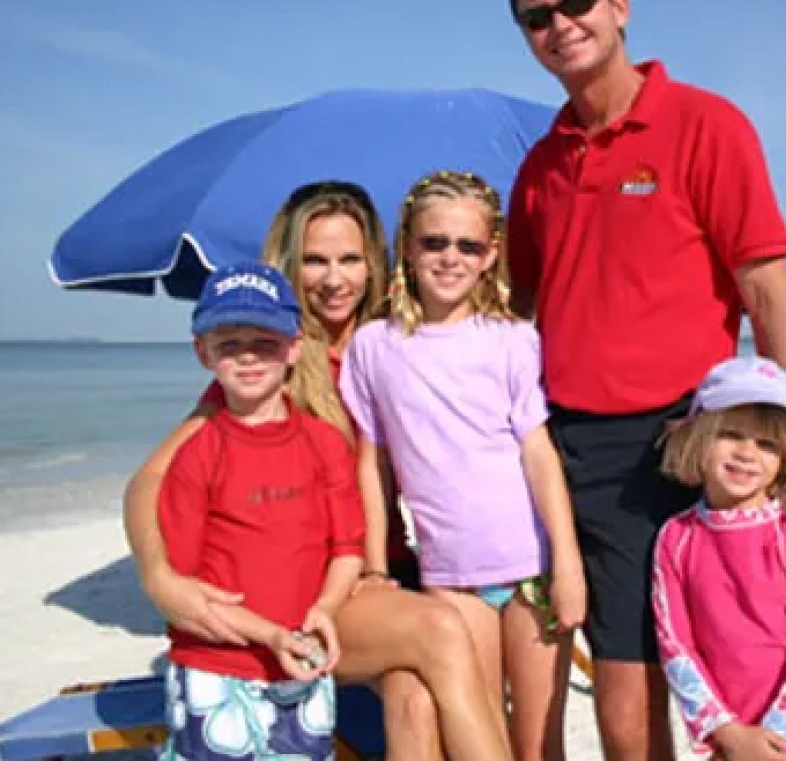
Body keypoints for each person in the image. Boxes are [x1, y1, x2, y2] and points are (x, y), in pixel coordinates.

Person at [506, 0, 786, 760]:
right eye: (537, 16)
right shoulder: (538, 167)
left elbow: (768, 293)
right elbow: (516, 314)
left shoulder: (706, 124)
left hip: (697, 435)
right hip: (585, 449)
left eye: (576, 3)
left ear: (619, 4)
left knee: (747, 687)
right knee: (626, 703)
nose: (560, 25)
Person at [123, 181, 513, 761]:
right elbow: (147, 482)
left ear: (374, 263)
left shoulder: (397, 344)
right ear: (290, 264)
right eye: (315, 260)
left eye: (350, 259)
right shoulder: (273, 359)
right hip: (315, 591)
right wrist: (159, 578)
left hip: (390, 573)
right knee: (440, 633)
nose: (335, 279)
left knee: (416, 699)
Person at [340, 170, 587, 761]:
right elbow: (372, 467)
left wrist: (568, 563)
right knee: (480, 739)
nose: (450, 258)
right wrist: (375, 567)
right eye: (435, 243)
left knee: (539, 746)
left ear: (489, 257)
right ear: (407, 247)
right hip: (452, 581)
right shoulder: (373, 347)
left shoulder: (512, 340)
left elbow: (537, 452)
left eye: (467, 246)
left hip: (533, 570)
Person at [157, 261, 364, 761]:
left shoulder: (324, 444)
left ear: (294, 348)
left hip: (303, 660)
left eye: (265, 344)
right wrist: (269, 634)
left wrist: (325, 609)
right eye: (229, 345)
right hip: (214, 666)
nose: (248, 358)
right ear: (203, 353)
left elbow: (348, 550)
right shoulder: (196, 454)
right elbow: (186, 587)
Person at [652, 356, 786, 761]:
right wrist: (726, 731)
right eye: (731, 435)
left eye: (767, 444)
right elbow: (675, 644)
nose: (748, 453)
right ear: (698, 438)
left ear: (785, 457)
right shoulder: (676, 538)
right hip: (732, 729)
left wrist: (775, 734)